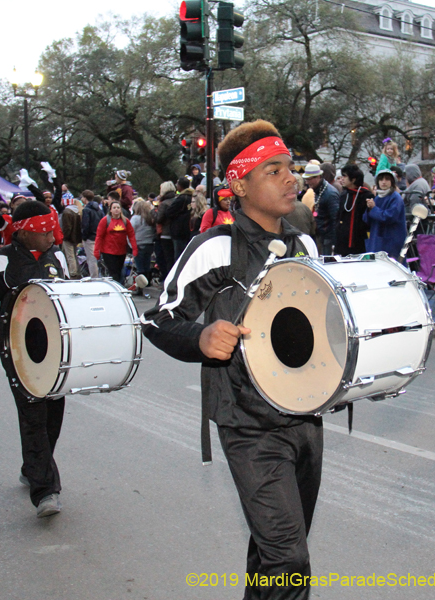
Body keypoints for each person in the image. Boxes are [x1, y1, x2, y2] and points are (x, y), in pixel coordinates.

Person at [142, 119, 321, 600]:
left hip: (304, 417)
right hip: (247, 422)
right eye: (274, 170)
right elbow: (157, 319)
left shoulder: (305, 245)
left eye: (291, 169)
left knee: (273, 550)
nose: (291, 180)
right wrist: (201, 338)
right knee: (289, 560)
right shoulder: (215, 247)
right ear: (238, 184)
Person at [0, 200, 70, 518]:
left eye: (53, 230)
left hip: (56, 350)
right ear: (23, 234)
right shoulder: (0, 263)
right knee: (33, 417)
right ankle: (45, 492)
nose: (52, 237)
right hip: (19, 351)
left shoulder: (58, 257)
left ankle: (32, 466)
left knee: (53, 414)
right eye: (44, 232)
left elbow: (70, 296)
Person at [363, 169, 406, 257]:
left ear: (392, 182)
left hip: (391, 240)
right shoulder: (378, 197)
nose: (384, 182)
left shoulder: (396, 198)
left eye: (387, 179)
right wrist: (368, 208)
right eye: (381, 179)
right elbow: (366, 220)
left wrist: (373, 209)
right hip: (377, 239)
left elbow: (389, 217)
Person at [94, 200, 138, 284]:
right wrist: (97, 250)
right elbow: (99, 236)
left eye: (118, 207)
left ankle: (119, 285)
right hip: (108, 251)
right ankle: (117, 286)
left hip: (121, 251)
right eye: (114, 208)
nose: (116, 209)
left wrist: (134, 248)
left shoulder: (125, 221)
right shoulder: (105, 220)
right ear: (110, 210)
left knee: (119, 270)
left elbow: (131, 235)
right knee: (113, 272)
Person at [336, 164, 372, 255]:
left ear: (353, 179)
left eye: (345, 176)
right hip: (343, 241)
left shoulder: (366, 195)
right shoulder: (344, 195)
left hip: (359, 240)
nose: (342, 179)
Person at [303, 163, 339, 254]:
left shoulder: (330, 193)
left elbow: (335, 219)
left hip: (327, 238)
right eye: (306, 179)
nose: (307, 182)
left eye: (309, 179)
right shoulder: (319, 190)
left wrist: (334, 243)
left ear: (318, 177)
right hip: (321, 236)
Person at [130, 199, 156, 288]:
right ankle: (148, 282)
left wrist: (131, 246)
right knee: (147, 263)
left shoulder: (135, 218)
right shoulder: (150, 219)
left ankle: (141, 284)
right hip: (149, 244)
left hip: (138, 244)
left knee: (139, 266)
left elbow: (130, 232)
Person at [80, 190, 103, 278]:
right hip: (98, 236)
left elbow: (85, 224)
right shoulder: (99, 209)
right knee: (97, 259)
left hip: (90, 237)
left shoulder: (86, 210)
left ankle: (94, 278)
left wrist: (84, 236)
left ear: (85, 198)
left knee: (91, 259)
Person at [60, 198, 82, 278]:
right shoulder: (77, 212)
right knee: (74, 255)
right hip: (76, 236)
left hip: (68, 237)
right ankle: (77, 270)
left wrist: (65, 236)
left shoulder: (67, 212)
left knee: (70, 256)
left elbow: (67, 227)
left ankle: (73, 272)